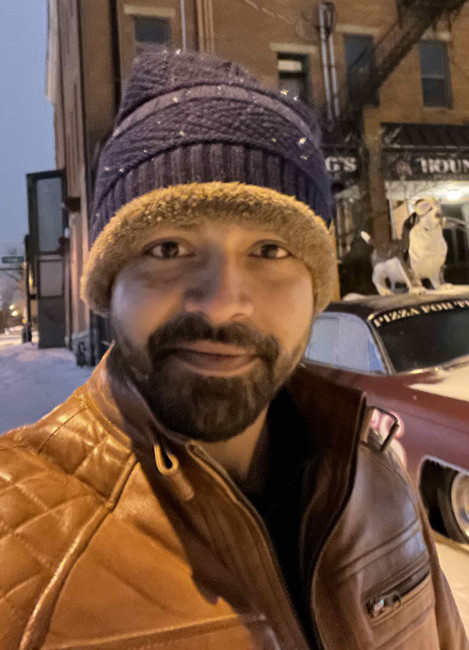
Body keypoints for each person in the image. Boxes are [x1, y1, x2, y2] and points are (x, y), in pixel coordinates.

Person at [0, 48, 466, 650]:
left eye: (270, 250)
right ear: (107, 285)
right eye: (167, 249)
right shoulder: (17, 548)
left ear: (316, 286)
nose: (221, 304)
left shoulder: (378, 479)